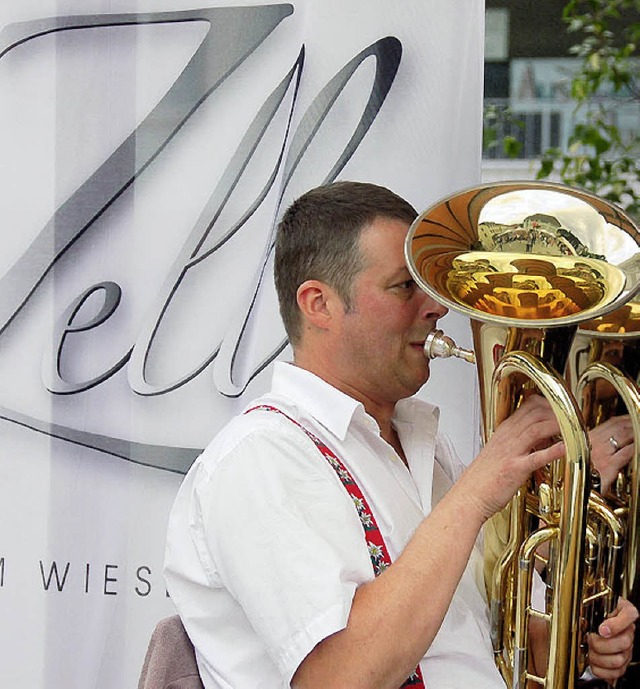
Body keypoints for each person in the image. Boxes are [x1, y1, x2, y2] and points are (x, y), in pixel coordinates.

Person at [164, 181, 637, 689]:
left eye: (428, 287)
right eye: (403, 287)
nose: (439, 308)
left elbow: (483, 648)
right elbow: (340, 678)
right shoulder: (258, 457)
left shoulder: (428, 449)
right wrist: (477, 491)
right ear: (318, 304)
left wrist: (582, 642)